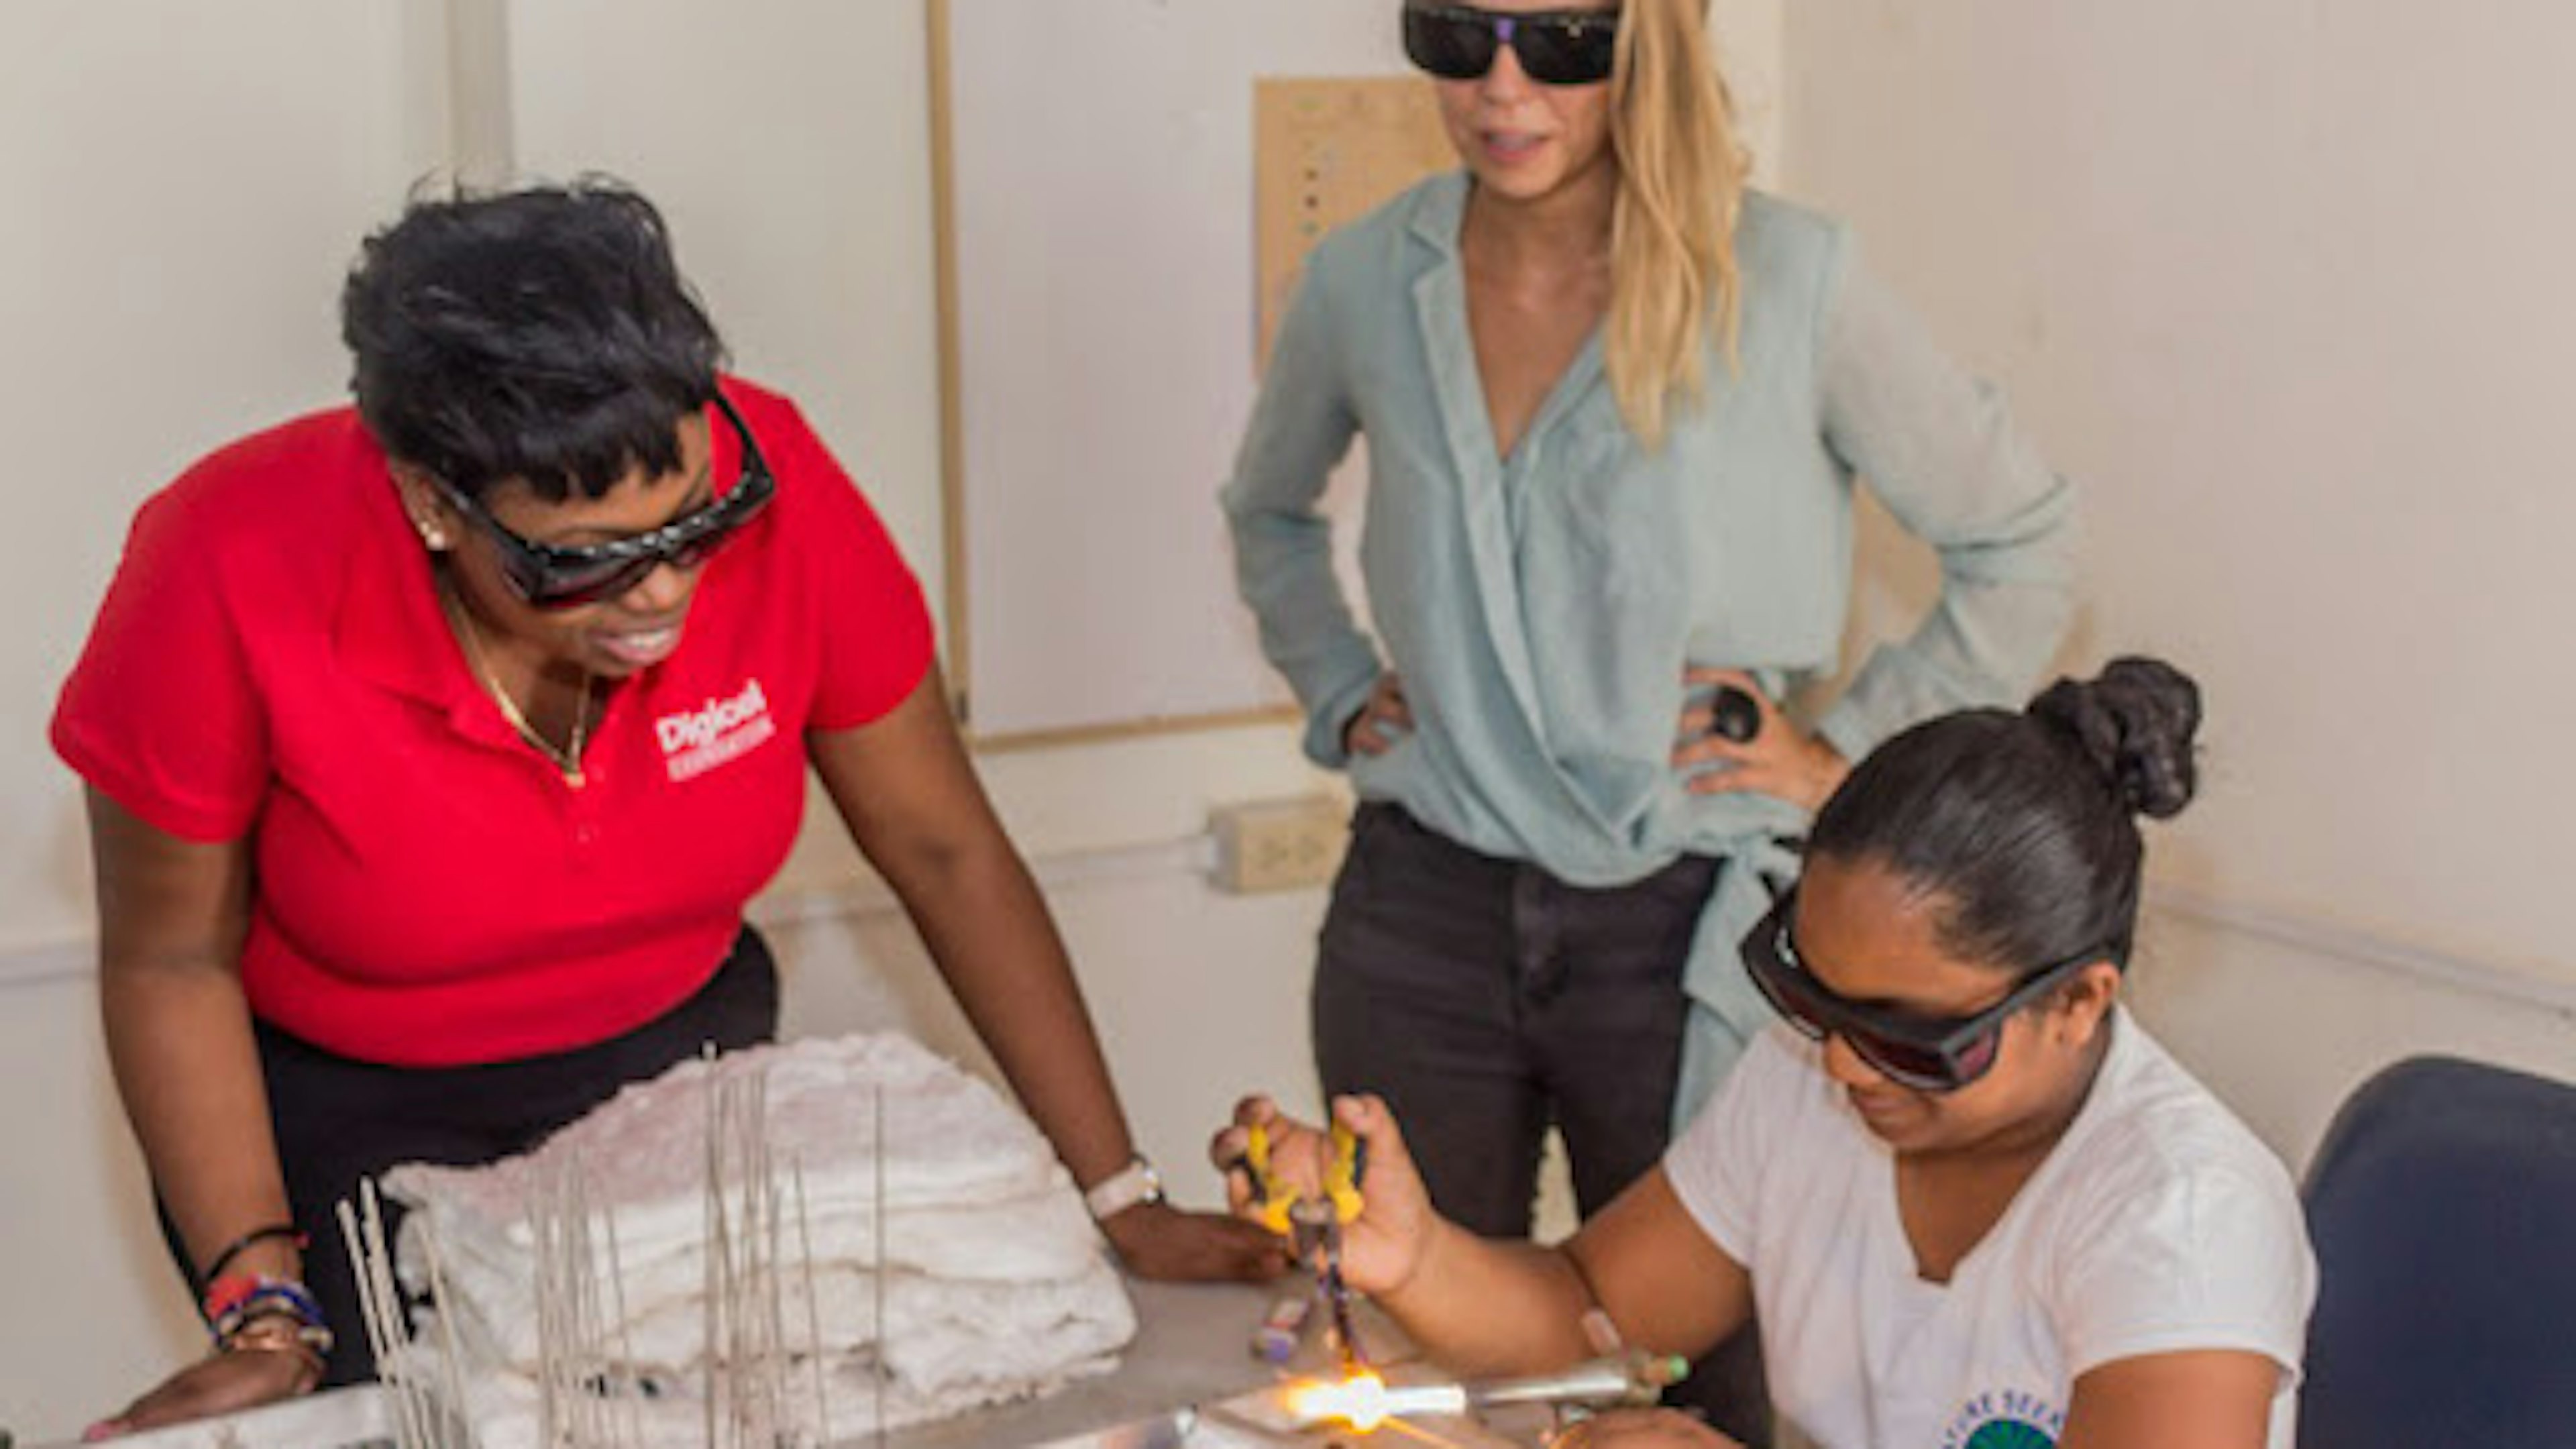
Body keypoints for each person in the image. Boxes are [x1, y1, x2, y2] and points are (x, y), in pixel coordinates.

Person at [54, 180, 1285, 1437]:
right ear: (433, 504)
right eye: (583, 560)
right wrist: (265, 1308)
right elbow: (169, 960)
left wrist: (1119, 1193)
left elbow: (944, 847)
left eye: (699, 519)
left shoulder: (784, 470)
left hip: (679, 1081)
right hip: (357, 1118)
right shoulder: (225, 558)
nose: (663, 596)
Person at [1222, 3, 2077, 1438]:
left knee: (1694, 1383)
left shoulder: (1791, 279)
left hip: (1693, 930)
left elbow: (2022, 541)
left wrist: (1842, 768)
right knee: (1410, 1360)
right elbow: (1269, 512)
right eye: (1457, 29)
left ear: (1647, 43)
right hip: (1423, 907)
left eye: (1556, 40)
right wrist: (1334, 686)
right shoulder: (1368, 280)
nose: (1501, 86)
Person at [1217, 659, 2318, 1449]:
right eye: (1810, 994)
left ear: (2079, 1001)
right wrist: (1412, 1257)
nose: (1846, 1065)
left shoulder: (2180, 1216)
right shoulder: (1809, 1088)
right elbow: (1586, 1309)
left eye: (1913, 1036)